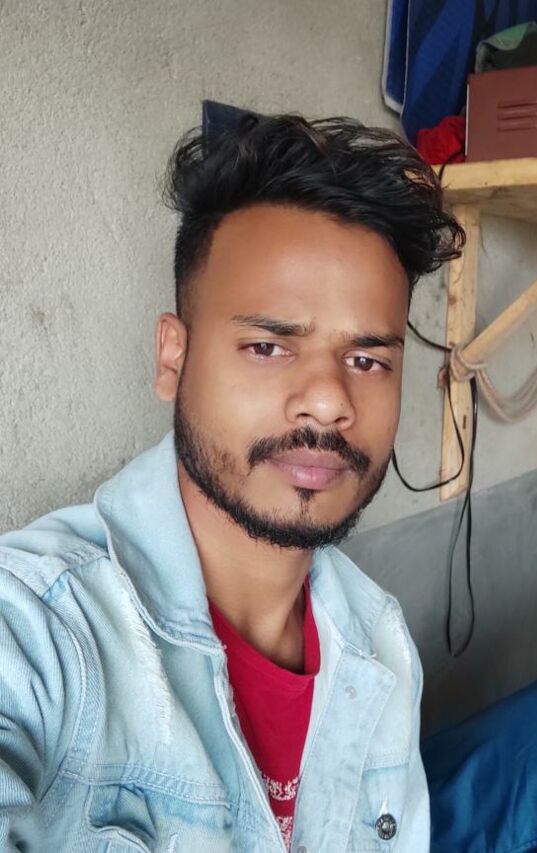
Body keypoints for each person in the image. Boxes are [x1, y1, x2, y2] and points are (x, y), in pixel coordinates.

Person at [0, 113, 463, 852]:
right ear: (173, 358)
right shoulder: (39, 628)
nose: (329, 401)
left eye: (367, 360)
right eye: (269, 346)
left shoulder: (380, 646)